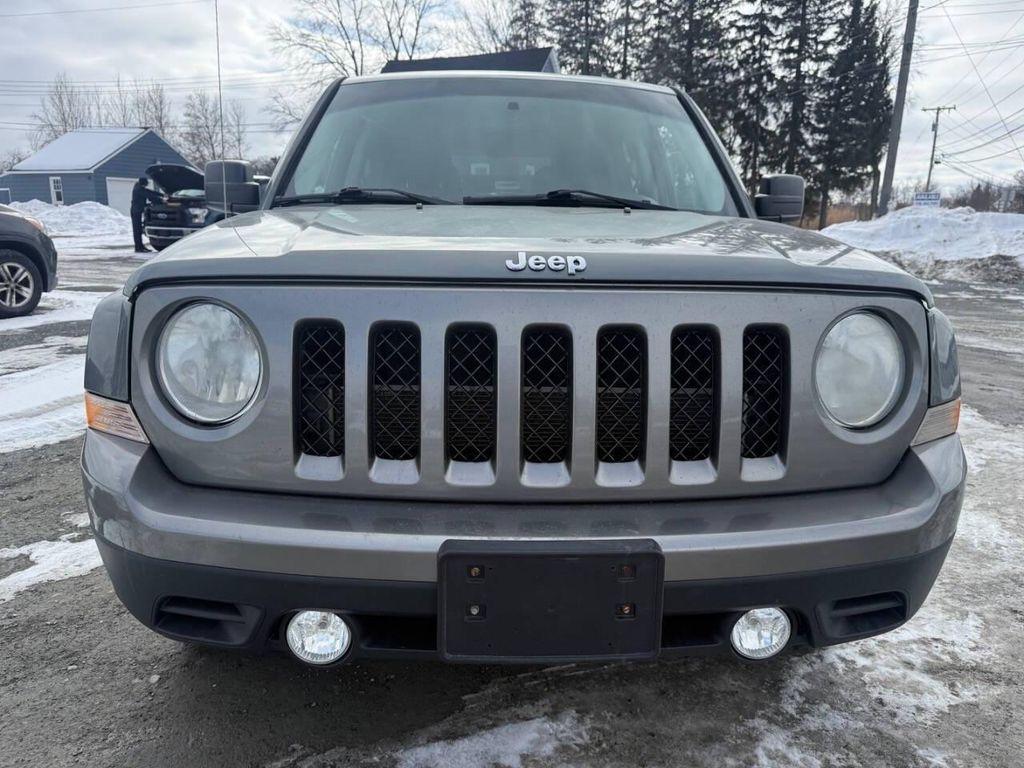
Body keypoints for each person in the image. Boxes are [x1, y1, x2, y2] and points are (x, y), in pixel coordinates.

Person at [130, 177, 163, 253]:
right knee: (137, 230)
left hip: (138, 210)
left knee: (138, 229)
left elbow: (150, 192)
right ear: (143, 183)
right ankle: (138, 248)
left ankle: (140, 246)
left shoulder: (139, 187)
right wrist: (160, 199)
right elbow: (149, 195)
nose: (146, 185)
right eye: (146, 184)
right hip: (136, 211)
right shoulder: (138, 189)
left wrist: (162, 194)